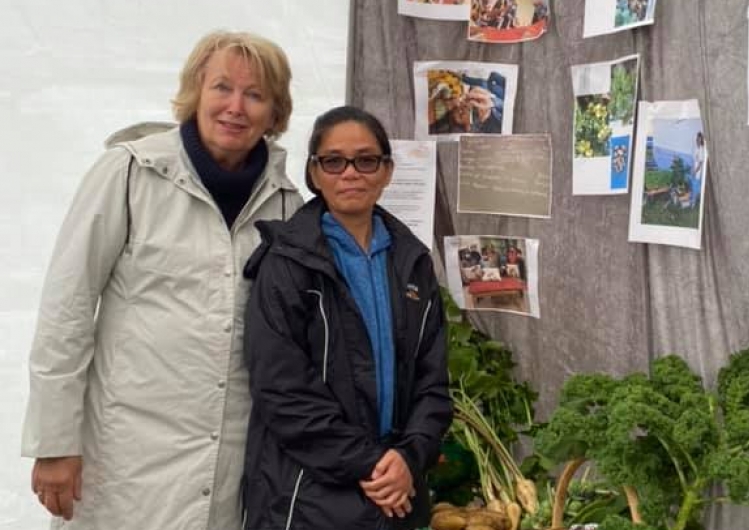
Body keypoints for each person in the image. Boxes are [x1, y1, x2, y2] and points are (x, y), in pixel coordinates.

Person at [21, 31, 301, 529]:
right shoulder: (129, 173)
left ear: (275, 113)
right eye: (221, 88)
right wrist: (55, 443)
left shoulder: (284, 204)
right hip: (124, 458)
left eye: (255, 95)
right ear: (196, 90)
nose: (235, 107)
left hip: (225, 463)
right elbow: (67, 310)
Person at [241, 106, 452, 530]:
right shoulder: (285, 263)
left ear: (387, 171)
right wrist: (372, 464)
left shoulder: (413, 262)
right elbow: (281, 391)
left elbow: (434, 384)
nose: (350, 173)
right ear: (314, 174)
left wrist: (410, 457)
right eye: (333, 161)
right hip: (307, 497)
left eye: (366, 160)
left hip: (398, 494)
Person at [691, 132, 705, 207]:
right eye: (697, 139)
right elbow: (693, 159)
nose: (698, 140)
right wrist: (692, 168)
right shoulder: (695, 147)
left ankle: (693, 202)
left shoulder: (702, 149)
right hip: (693, 169)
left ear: (701, 140)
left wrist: (695, 171)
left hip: (698, 171)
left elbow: (700, 164)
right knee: (692, 185)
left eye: (699, 139)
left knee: (695, 186)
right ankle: (692, 199)